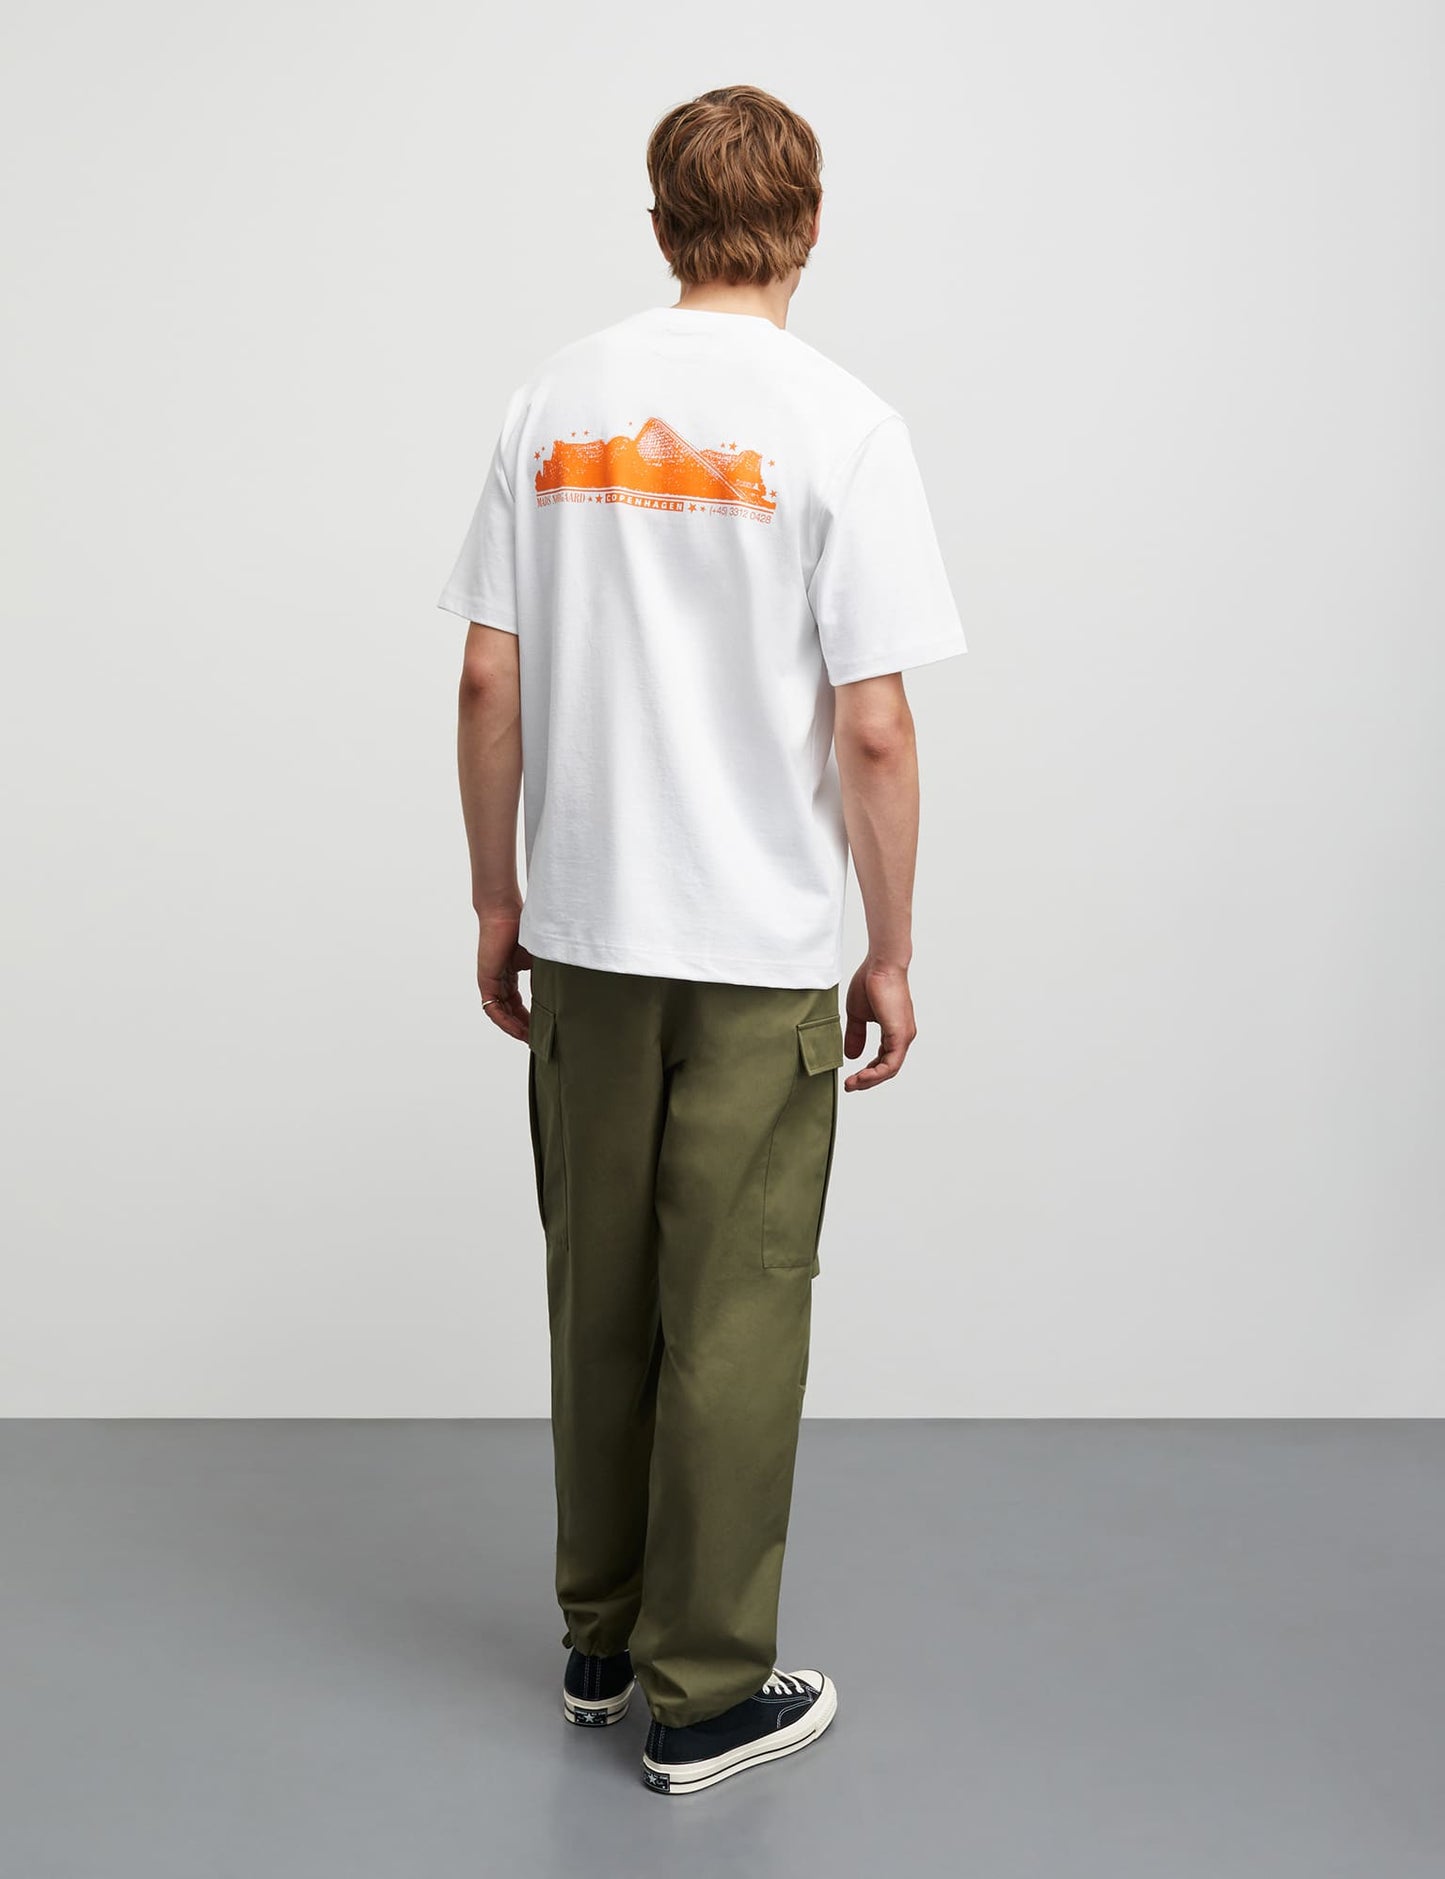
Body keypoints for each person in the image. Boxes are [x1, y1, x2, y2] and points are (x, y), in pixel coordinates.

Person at [437, 84, 965, 1796]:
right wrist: (890, 948)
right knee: (731, 1314)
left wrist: (498, 899)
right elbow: (872, 726)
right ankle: (706, 1692)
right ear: (807, 227)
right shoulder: (845, 425)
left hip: (589, 931)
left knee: (595, 1289)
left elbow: (488, 678)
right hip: (756, 948)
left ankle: (599, 1640)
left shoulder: (552, 400)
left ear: (659, 225)